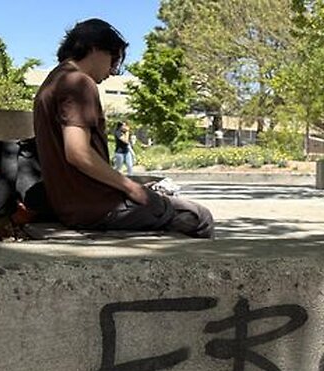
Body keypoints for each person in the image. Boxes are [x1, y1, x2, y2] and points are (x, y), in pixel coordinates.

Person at [32, 19, 213, 237]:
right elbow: (77, 153)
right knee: (198, 216)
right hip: (96, 207)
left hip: (71, 204)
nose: (113, 71)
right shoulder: (79, 82)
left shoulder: (52, 82)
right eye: (113, 59)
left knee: (159, 195)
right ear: (94, 48)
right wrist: (131, 187)